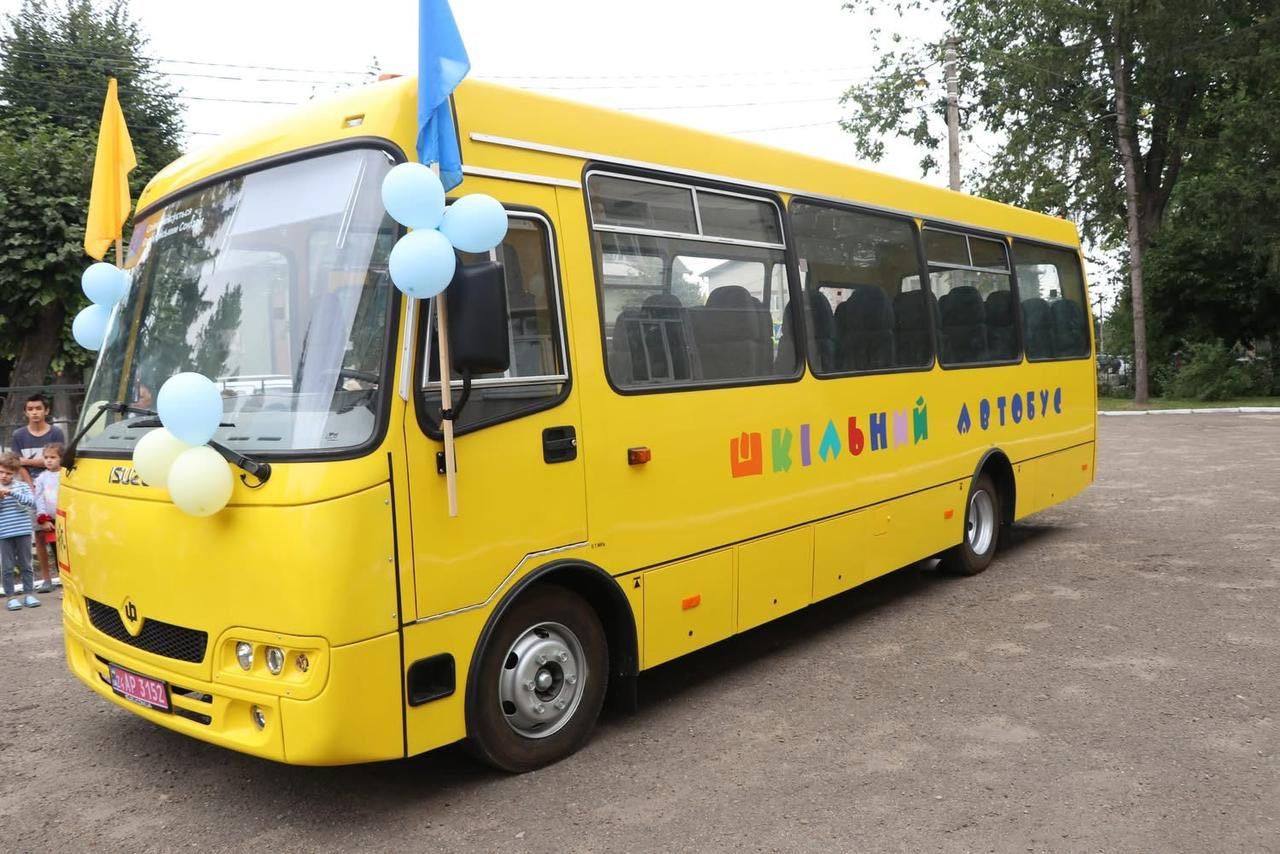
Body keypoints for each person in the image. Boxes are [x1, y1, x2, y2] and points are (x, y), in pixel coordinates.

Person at [9, 395, 65, 586]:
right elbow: (17, 463)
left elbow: (56, 458)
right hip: (33, 489)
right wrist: (30, 484)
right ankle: (47, 579)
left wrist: (27, 460)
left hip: (56, 488)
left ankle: (66, 575)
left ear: (46, 411)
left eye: (38, 408)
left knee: (61, 534)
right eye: (30, 409)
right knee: (40, 534)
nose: (35, 412)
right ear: (25, 412)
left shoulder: (55, 433)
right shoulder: (19, 435)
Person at [0, 452, 39, 610]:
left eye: (8, 473)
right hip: (4, 534)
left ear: (15, 473)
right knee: (7, 567)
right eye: (1, 472)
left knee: (26, 564)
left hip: (23, 531)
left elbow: (32, 503)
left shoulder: (22, 486)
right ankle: (10, 597)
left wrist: (13, 493)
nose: (4, 476)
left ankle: (29, 594)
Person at [32, 442, 62, 594]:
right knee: (58, 553)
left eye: (53, 457)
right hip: (51, 522)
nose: (49, 460)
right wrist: (43, 519)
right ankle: (64, 585)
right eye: (46, 457)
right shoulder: (41, 478)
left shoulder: (66, 474)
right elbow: (39, 499)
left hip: (67, 519)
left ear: (61, 458)